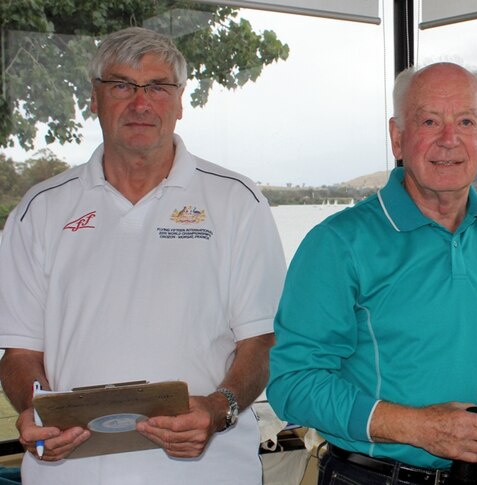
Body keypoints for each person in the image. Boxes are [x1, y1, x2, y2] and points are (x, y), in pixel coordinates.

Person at [0, 27, 286, 484]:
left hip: (208, 474)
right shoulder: (40, 209)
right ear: (93, 99)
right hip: (70, 475)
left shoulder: (237, 202)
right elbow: (19, 352)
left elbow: (262, 342)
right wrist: (35, 407)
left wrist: (219, 407)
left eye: (157, 87)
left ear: (179, 102)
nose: (140, 103)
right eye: (121, 86)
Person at [267, 62, 477, 484]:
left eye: (466, 121)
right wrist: (419, 427)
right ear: (398, 137)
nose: (449, 139)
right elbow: (294, 384)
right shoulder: (337, 244)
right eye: (429, 120)